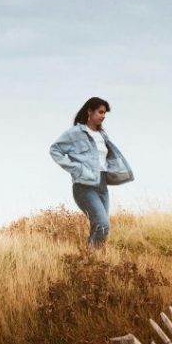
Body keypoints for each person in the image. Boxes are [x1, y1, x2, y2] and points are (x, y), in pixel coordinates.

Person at [49, 97, 134, 248]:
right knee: (103, 225)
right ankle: (92, 261)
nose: (103, 116)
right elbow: (55, 150)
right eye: (100, 112)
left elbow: (105, 158)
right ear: (90, 111)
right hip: (84, 185)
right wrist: (76, 168)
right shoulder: (75, 133)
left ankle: (92, 261)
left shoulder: (102, 135)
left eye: (105, 113)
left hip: (102, 184)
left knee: (99, 227)